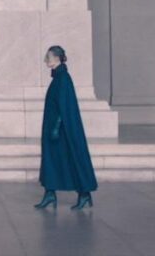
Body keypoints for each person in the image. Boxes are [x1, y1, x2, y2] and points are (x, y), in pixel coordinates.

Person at [34, 45, 97, 210]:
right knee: (52, 160)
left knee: (70, 158)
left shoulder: (63, 79)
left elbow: (64, 106)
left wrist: (56, 128)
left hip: (61, 131)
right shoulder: (59, 78)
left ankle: (84, 194)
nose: (45, 60)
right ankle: (50, 194)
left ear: (56, 59)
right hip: (55, 129)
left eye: (48, 57)